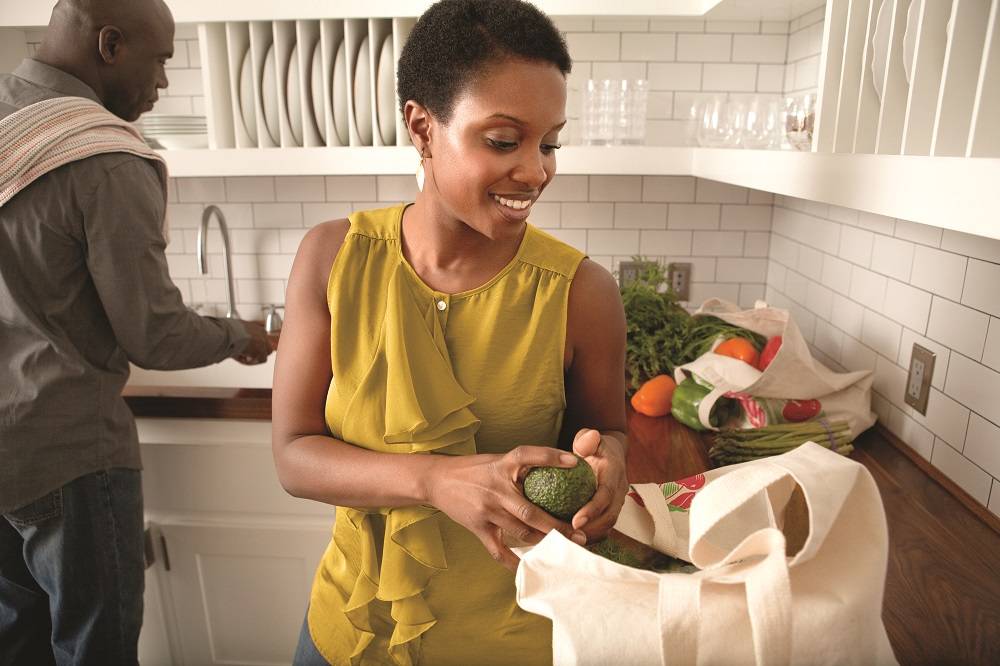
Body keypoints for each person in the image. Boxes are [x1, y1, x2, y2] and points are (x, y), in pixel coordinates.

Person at [271, 1, 628, 663]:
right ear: (422, 126)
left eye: (549, 142)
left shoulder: (583, 293)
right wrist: (435, 481)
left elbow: (609, 431)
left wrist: (607, 467)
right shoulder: (331, 259)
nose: (537, 170)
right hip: (349, 633)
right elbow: (293, 455)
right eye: (503, 141)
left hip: (511, 640)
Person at [0, 0, 271, 663]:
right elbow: (154, 335)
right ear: (111, 44)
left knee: (16, 642)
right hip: (68, 451)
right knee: (97, 647)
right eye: (162, 60)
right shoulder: (102, 158)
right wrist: (243, 337)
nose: (164, 82)